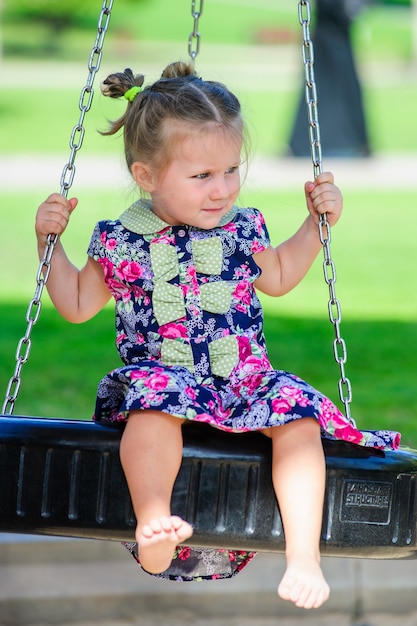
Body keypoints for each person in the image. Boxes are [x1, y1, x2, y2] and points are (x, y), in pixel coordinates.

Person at [35, 62, 400, 610]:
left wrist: (316, 225)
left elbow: (277, 277)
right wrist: (50, 245)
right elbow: (78, 303)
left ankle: (305, 554)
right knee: (153, 410)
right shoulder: (119, 239)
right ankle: (155, 521)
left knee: (298, 416)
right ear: (147, 175)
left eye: (231, 170)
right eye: (202, 176)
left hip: (243, 377)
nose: (222, 189)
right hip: (164, 378)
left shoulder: (243, 226)